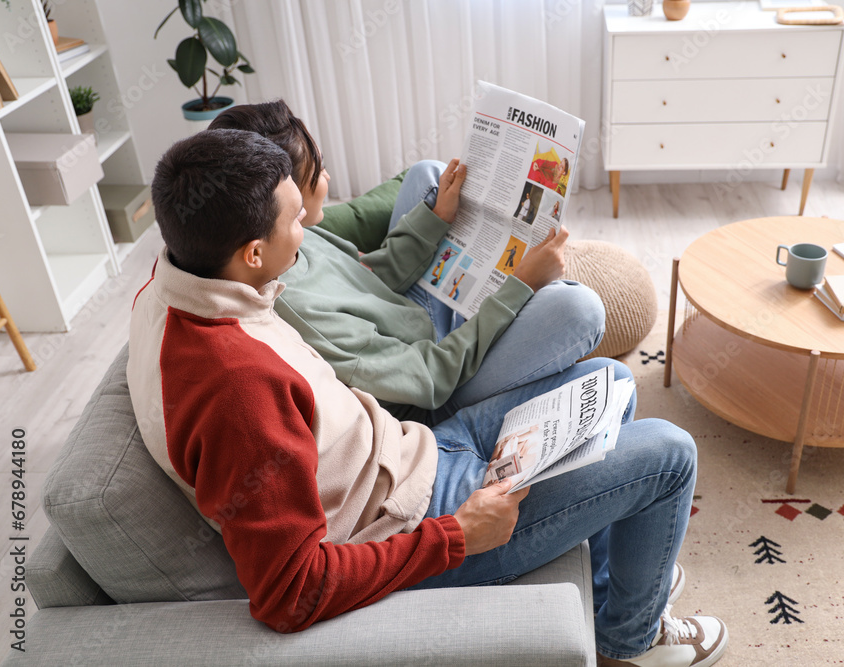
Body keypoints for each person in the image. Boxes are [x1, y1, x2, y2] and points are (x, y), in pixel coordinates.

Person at [131, 129, 728, 666]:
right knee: (671, 453)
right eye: (296, 220)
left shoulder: (174, 288)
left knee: (607, 380)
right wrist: (456, 537)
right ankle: (629, 638)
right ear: (252, 254)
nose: (310, 228)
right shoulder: (237, 387)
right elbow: (291, 593)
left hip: (413, 451)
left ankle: (607, 583)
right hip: (420, 517)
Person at [209, 101, 605, 425]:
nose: (327, 174)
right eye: (318, 169)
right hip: (436, 384)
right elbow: (431, 377)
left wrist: (436, 217)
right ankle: (532, 305)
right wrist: (519, 287)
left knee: (426, 175)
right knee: (581, 310)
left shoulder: (287, 239)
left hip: (410, 321)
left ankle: (521, 301)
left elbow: (370, 280)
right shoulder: (300, 303)